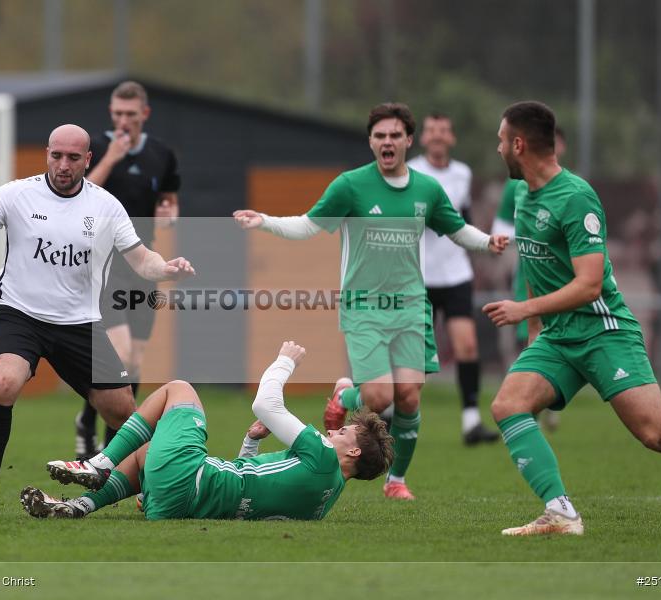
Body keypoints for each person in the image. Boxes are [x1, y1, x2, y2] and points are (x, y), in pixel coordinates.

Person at [232, 103, 508, 501]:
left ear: (408, 140)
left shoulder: (427, 190)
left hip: (411, 305)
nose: (387, 142)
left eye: (395, 135)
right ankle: (346, 394)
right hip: (364, 306)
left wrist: (487, 242)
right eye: (380, 136)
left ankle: (396, 481)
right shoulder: (351, 185)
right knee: (379, 397)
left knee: (409, 396)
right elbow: (310, 224)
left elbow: (455, 229)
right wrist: (266, 220)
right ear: (371, 142)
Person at [0, 124, 194, 520]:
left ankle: (147, 487)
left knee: (124, 413)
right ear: (47, 154)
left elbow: (141, 259)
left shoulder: (106, 207)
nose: (63, 165)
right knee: (3, 382)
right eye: (56, 156)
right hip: (18, 314)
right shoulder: (17, 194)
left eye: (73, 158)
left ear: (88, 160)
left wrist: (165, 267)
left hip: (80, 322)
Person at [483, 101, 661, 536]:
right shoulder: (523, 194)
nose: (497, 149)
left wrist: (524, 311)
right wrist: (534, 332)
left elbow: (589, 285)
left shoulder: (575, 196)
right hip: (557, 336)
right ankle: (561, 513)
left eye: (499, 140)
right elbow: (534, 264)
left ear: (518, 143)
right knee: (508, 405)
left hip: (603, 331)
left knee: (657, 433)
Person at [21, 342, 394, 521]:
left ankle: (100, 463)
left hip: (188, 481)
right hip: (175, 508)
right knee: (150, 451)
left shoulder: (323, 455)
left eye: (344, 431)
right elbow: (249, 486)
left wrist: (284, 362)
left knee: (178, 389)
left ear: (355, 453)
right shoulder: (324, 504)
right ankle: (79, 506)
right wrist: (251, 442)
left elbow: (266, 404)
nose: (334, 432)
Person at [74, 80, 183, 459]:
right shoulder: (98, 149)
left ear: (144, 115)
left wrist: (170, 215)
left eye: (130, 115)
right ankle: (107, 439)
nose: (123, 121)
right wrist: (111, 158)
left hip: (143, 264)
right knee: (118, 353)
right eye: (117, 114)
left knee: (134, 360)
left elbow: (169, 199)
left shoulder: (161, 154)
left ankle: (95, 426)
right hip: (104, 266)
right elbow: (82, 195)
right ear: (110, 113)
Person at [407, 112, 500, 445]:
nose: (437, 136)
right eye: (431, 130)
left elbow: (464, 217)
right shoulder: (412, 171)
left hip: (456, 273)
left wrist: (482, 244)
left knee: (467, 345)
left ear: (451, 138)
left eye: (443, 130)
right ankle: (395, 417)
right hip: (419, 275)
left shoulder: (463, 173)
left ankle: (471, 421)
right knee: (413, 355)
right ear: (422, 138)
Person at [492, 127, 566, 432]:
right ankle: (529, 408)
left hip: (565, 285)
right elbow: (501, 225)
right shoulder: (517, 187)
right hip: (529, 278)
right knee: (531, 341)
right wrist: (502, 241)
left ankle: (550, 396)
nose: (500, 148)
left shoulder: (571, 189)